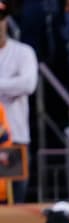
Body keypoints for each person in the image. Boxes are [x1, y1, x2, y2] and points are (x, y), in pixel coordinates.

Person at [0, 3, 37, 202]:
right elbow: (19, 84)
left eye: (1, 17)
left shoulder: (23, 52)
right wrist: (11, 84)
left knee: (15, 206)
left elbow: (28, 84)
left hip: (16, 140)